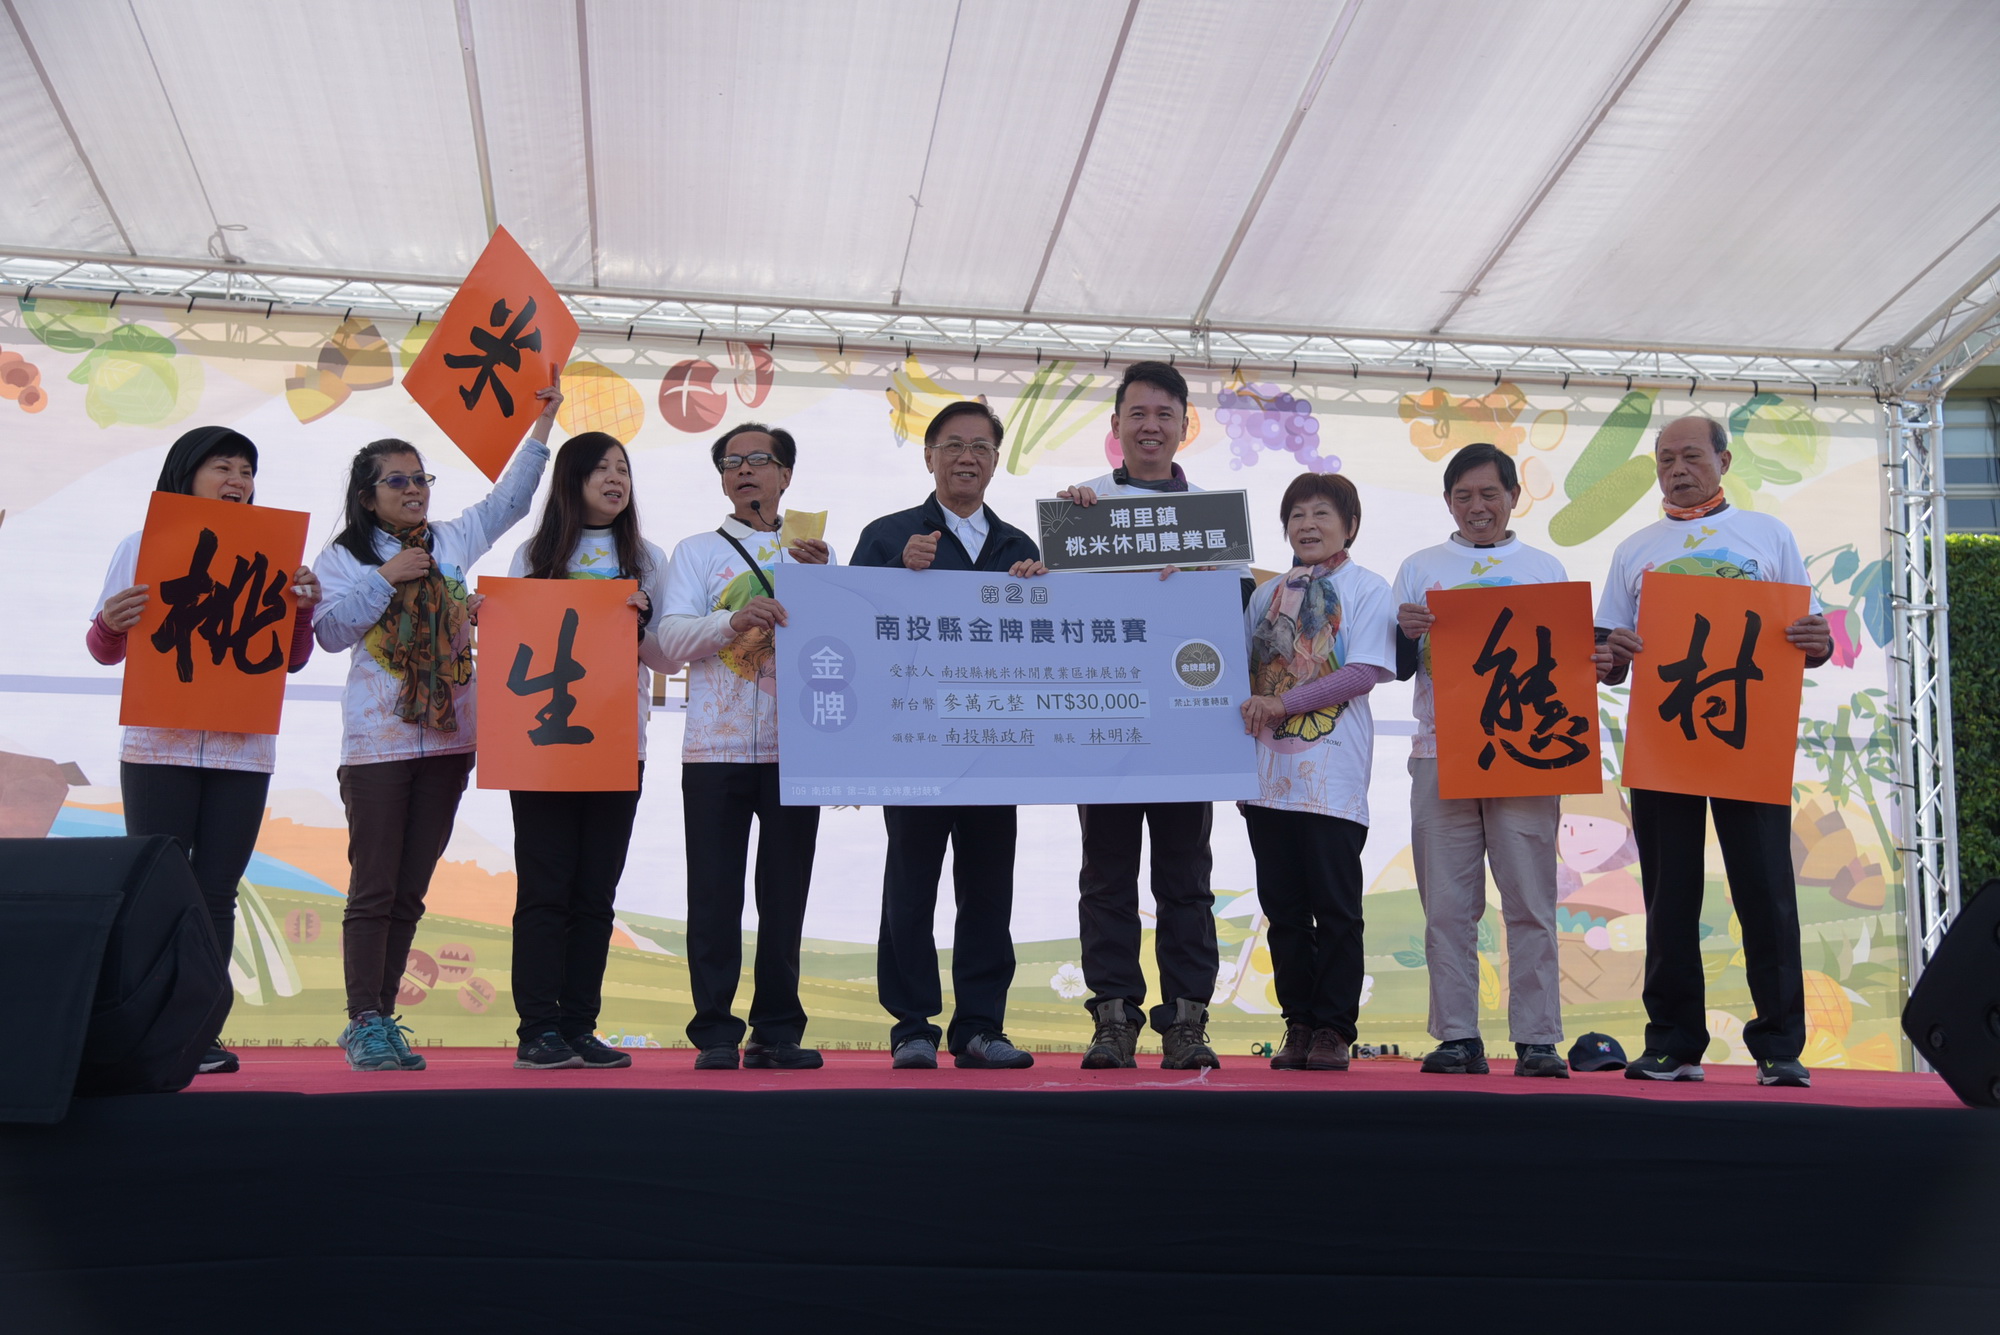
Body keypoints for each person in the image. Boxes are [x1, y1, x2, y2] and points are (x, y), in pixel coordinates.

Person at [313, 373, 560, 1072]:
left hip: (451, 737)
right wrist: (384, 577)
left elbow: (510, 501)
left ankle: (385, 1018)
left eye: (421, 478)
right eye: (398, 481)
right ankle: (363, 1019)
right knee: (374, 886)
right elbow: (329, 633)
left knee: (412, 886)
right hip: (379, 743)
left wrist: (542, 425)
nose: (415, 489)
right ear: (367, 495)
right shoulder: (342, 557)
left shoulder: (452, 538)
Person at [1595, 415, 1833, 1088]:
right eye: (1666, 458)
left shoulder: (1768, 535)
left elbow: (1804, 638)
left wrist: (1818, 639)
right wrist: (1611, 652)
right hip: (1665, 734)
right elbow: (1607, 656)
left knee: (1765, 888)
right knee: (1670, 893)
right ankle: (1673, 1041)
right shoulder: (1633, 549)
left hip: (1747, 735)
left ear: (1724, 461)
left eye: (1692, 455)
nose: (1678, 467)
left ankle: (1780, 1045)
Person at [87, 427, 322, 1076]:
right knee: (160, 888)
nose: (238, 480)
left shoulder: (274, 557)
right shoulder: (143, 545)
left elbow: (292, 660)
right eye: (224, 466)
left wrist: (301, 609)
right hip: (159, 743)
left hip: (241, 750)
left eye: (247, 469)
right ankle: (144, 1027)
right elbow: (104, 649)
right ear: (185, 473)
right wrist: (112, 621)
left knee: (216, 891)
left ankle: (199, 1034)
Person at [851, 400, 1048, 1071]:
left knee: (989, 887)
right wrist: (893, 580)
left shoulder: (1020, 547)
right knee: (911, 882)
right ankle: (911, 1024)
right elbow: (850, 631)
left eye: (982, 447)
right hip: (913, 743)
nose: (968, 457)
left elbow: (1047, 650)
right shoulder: (888, 536)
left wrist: (1039, 594)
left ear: (996, 459)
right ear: (929, 454)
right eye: (954, 444)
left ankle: (979, 1025)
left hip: (995, 746)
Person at [1056, 360, 1237, 1069]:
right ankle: (1114, 1018)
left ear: (1184, 426)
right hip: (1103, 723)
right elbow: (1053, 613)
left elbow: (1234, 619)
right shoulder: (1082, 508)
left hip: (1188, 726)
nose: (1150, 426)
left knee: (1185, 878)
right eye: (1137, 413)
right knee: (1105, 875)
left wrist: (1198, 582)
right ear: (1116, 427)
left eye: (1165, 414)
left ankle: (1187, 1022)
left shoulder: (1214, 520)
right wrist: (1060, 549)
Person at [657, 422, 834, 1070]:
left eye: (760, 459)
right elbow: (670, 637)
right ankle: (715, 1031)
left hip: (797, 750)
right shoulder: (697, 550)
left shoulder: (816, 552)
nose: (745, 470)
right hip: (715, 748)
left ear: (786, 475)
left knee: (785, 893)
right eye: (732, 462)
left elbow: (834, 647)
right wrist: (731, 620)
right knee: (714, 892)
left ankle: (778, 1029)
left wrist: (822, 585)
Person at [1392, 443, 1572, 1078]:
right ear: (1447, 502)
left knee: (1529, 900)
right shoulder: (1418, 568)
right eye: (1463, 496)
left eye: (1488, 494)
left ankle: (1538, 1038)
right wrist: (1404, 634)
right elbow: (1393, 667)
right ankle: (1457, 1036)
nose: (1477, 507)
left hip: (1526, 754)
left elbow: (1570, 668)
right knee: (1446, 904)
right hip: (1440, 751)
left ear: (1513, 497)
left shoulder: (1545, 568)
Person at [504, 431, 671, 1071]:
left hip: (617, 743)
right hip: (542, 746)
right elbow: (516, 638)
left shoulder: (647, 557)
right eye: (600, 467)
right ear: (570, 480)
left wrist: (643, 617)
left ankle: (579, 1026)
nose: (614, 478)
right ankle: (537, 1030)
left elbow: (661, 655)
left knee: (595, 894)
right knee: (545, 890)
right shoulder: (535, 552)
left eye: (623, 468)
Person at [1239, 472, 1395, 1070]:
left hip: (1331, 781)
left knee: (1335, 911)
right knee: (1282, 912)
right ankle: (1297, 1024)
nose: (1307, 525)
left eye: (1322, 514)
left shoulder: (1367, 587)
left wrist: (1284, 705)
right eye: (1297, 515)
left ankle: (1334, 1028)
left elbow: (1364, 673)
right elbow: (1246, 681)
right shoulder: (1265, 594)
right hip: (1267, 780)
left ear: (1349, 525)